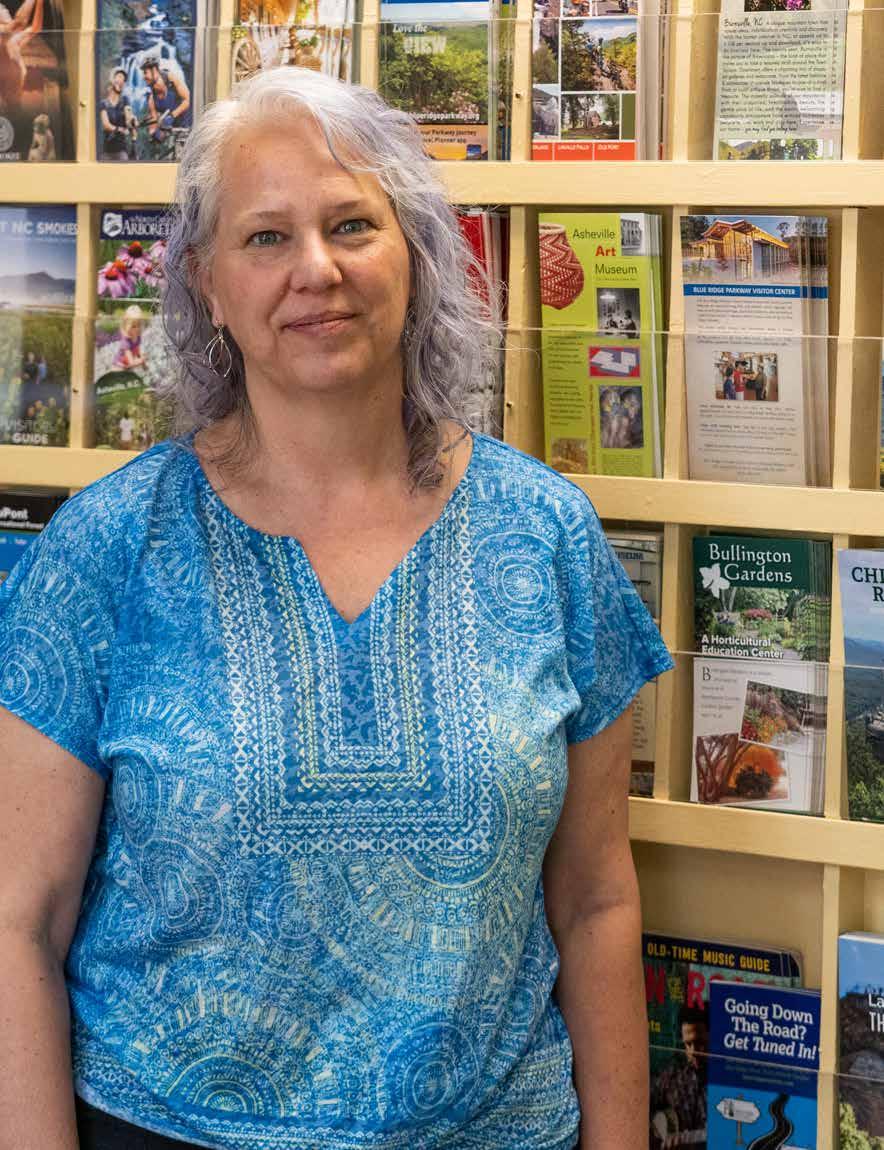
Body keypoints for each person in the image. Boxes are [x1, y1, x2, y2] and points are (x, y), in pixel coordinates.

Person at [0, 66, 672, 1150]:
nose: (316, 269)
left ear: (416, 252)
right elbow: (17, 923)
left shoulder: (544, 533)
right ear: (207, 284)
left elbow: (595, 901)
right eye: (266, 237)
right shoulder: (110, 545)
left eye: (353, 224)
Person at [649, 1005, 709, 1149]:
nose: (693, 1052)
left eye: (700, 1043)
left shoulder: (727, 1081)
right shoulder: (672, 1077)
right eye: (688, 1044)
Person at [0, 0, 42, 111]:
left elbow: (31, 26)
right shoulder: (9, 41)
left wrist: (39, 2)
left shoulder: (8, 42)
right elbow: (30, 26)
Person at [142, 55, 191, 141]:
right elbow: (154, 121)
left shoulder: (171, 79)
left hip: (187, 125)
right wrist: (153, 132)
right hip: (173, 131)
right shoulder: (151, 98)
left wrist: (172, 116)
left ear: (154, 70)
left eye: (145, 73)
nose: (143, 77)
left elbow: (187, 101)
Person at [99, 68, 136, 160]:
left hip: (121, 150)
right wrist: (119, 129)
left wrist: (132, 121)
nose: (121, 81)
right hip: (106, 150)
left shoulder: (125, 100)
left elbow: (128, 116)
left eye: (123, 80)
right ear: (112, 79)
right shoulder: (103, 103)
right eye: (119, 77)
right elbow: (106, 125)